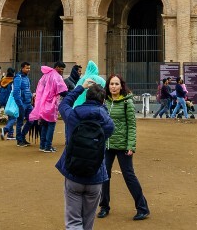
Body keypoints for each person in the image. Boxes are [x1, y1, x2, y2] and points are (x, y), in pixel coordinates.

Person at [57, 80, 115, 230]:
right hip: (95, 175)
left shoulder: (73, 116)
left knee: (73, 221)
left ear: (86, 97)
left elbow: (63, 104)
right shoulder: (107, 123)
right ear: (102, 101)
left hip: (73, 172)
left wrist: (80, 88)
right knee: (88, 222)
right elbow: (108, 120)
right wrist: (103, 108)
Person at [98, 75, 150, 221]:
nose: (113, 86)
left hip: (123, 145)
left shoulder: (127, 102)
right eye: (111, 84)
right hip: (107, 145)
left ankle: (142, 208)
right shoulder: (104, 101)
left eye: (116, 84)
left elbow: (132, 126)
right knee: (104, 176)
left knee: (129, 176)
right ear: (108, 86)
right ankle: (104, 206)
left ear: (121, 86)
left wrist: (131, 146)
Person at [31, 62, 69, 153]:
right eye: (61, 69)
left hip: (43, 103)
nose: (62, 71)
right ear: (56, 67)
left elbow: (40, 87)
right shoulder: (57, 77)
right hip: (51, 104)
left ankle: (42, 145)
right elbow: (63, 91)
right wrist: (70, 95)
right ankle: (48, 146)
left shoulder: (45, 75)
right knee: (51, 125)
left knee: (44, 125)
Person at [11, 62, 34, 147]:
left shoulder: (27, 78)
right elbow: (16, 92)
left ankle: (22, 136)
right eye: (27, 68)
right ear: (22, 68)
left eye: (29, 68)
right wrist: (20, 104)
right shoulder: (18, 78)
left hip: (28, 103)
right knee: (20, 122)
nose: (28, 70)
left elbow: (28, 89)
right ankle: (19, 140)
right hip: (22, 103)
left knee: (31, 120)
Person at [0, 68, 16, 140]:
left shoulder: (3, 80)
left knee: (10, 117)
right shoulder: (13, 81)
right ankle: (5, 129)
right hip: (11, 101)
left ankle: (10, 134)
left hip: (4, 101)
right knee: (14, 117)